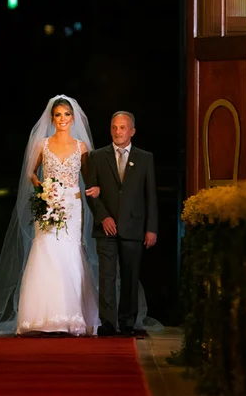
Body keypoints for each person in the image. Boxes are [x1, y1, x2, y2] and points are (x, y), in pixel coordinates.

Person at [0, 95, 101, 336]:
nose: (63, 119)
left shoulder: (81, 147)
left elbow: (89, 178)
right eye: (58, 115)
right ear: (52, 118)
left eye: (67, 114)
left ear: (73, 118)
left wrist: (93, 189)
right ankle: (40, 317)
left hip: (72, 206)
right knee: (45, 251)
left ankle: (72, 316)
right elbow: (31, 172)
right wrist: (43, 190)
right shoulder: (43, 145)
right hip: (48, 204)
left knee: (70, 252)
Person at [86, 111, 158, 337]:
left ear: (132, 131)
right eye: (114, 127)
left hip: (134, 227)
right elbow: (90, 193)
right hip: (105, 227)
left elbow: (150, 195)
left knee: (130, 276)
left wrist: (152, 228)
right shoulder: (96, 157)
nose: (118, 131)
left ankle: (127, 322)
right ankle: (107, 322)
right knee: (106, 277)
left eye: (122, 127)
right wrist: (103, 217)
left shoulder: (145, 158)